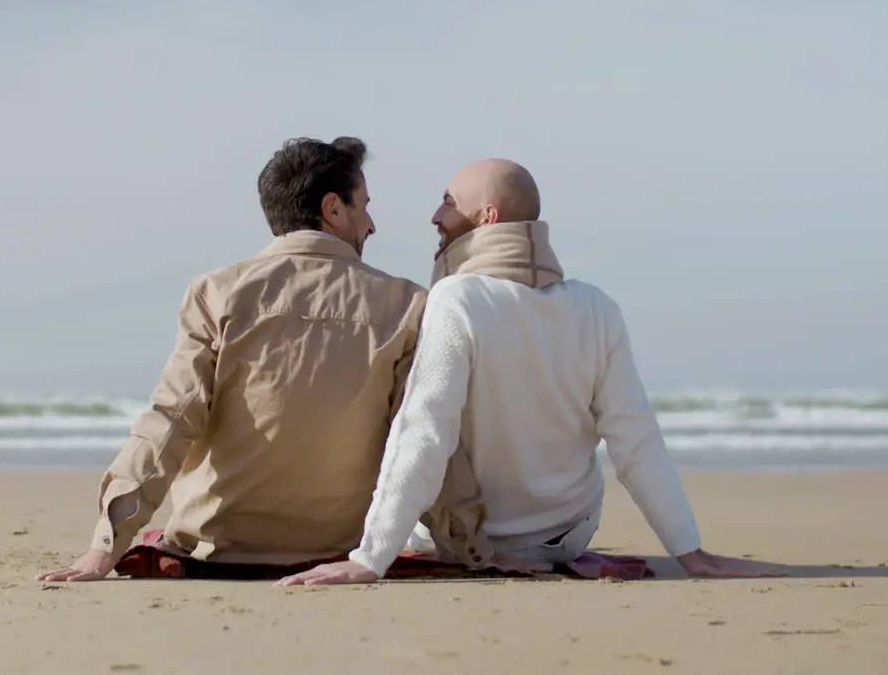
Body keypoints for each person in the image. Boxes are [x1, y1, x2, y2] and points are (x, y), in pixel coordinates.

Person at [278, 158, 784, 586]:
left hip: (468, 540)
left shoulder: (458, 299)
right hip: (568, 537)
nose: (436, 214)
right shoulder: (595, 306)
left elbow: (424, 431)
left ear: (488, 217)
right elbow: (636, 440)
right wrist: (689, 551)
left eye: (449, 202)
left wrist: (370, 559)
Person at [38, 137, 427, 582]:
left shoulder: (218, 292)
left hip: (218, 550)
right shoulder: (408, 303)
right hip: (339, 551)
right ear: (333, 209)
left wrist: (105, 546)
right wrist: (473, 546)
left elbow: (170, 420)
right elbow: (421, 435)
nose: (372, 223)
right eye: (364, 205)